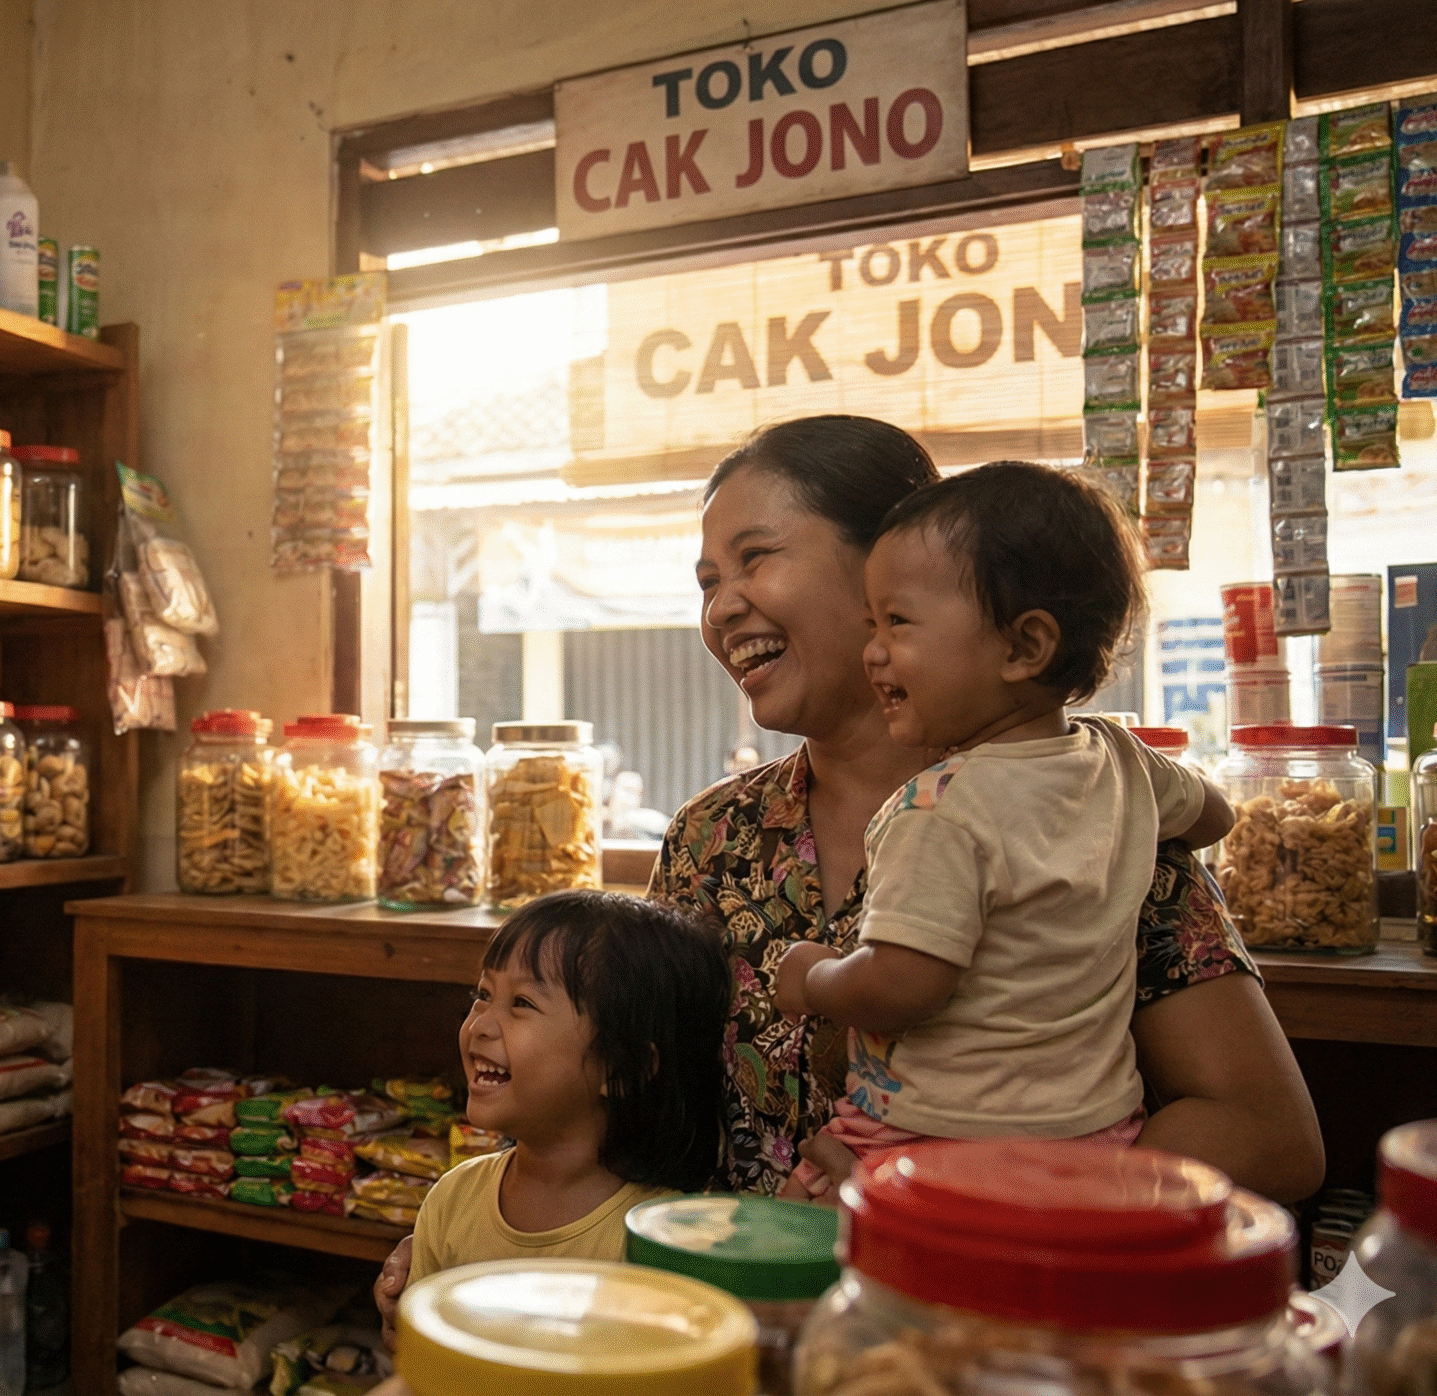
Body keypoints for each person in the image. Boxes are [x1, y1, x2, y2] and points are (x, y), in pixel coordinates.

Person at [373, 416, 1321, 1321]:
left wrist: (948, 1199)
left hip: (986, 1328)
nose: (722, 605)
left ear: (888, 562)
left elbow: (1269, 1139)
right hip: (742, 1330)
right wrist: (487, 1240)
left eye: (756, 557)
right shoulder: (713, 839)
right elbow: (645, 1107)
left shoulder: (1082, 810)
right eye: (707, 578)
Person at [769, 463, 1234, 1192]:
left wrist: (815, 979)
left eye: (897, 622)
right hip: (1100, 1132)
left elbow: (902, 986)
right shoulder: (1120, 760)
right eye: (870, 624)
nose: (874, 651)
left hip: (937, 1145)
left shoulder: (940, 809)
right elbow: (1215, 814)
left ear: (1024, 648)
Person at [408, 891, 727, 1286]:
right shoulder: (452, 1201)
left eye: (522, 1002)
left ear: (622, 1066)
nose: (480, 1025)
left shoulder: (662, 1241)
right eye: (484, 995)